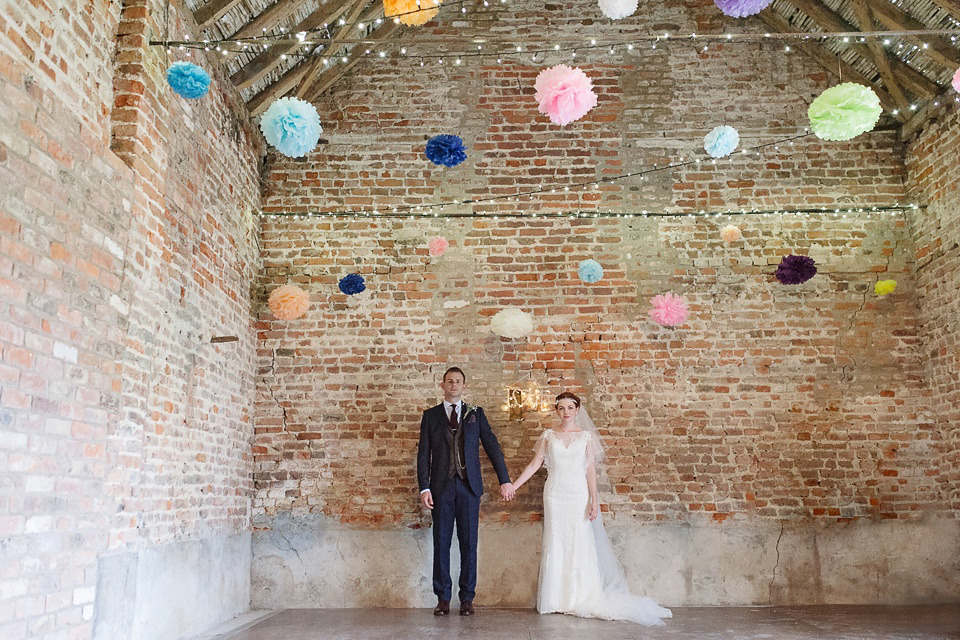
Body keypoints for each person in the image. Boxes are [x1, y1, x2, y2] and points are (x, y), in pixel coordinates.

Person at [511, 391, 672, 625]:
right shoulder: (549, 436)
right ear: (557, 411)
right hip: (555, 494)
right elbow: (535, 464)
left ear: (577, 410)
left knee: (579, 540)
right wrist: (514, 486)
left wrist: (594, 499)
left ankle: (580, 597)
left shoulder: (586, 437)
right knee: (555, 540)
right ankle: (555, 600)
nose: (566, 412)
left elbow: (590, 471)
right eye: (561, 408)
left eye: (570, 408)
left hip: (578, 495)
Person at [417, 367, 515, 616]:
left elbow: (492, 446)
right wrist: (424, 487)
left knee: (469, 544)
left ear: (464, 386)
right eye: (449, 381)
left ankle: (467, 598)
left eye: (458, 381)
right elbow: (423, 454)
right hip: (440, 487)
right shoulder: (430, 416)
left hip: (469, 487)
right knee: (441, 542)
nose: (454, 385)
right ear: (442, 385)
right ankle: (442, 598)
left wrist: (504, 480)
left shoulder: (476, 414)